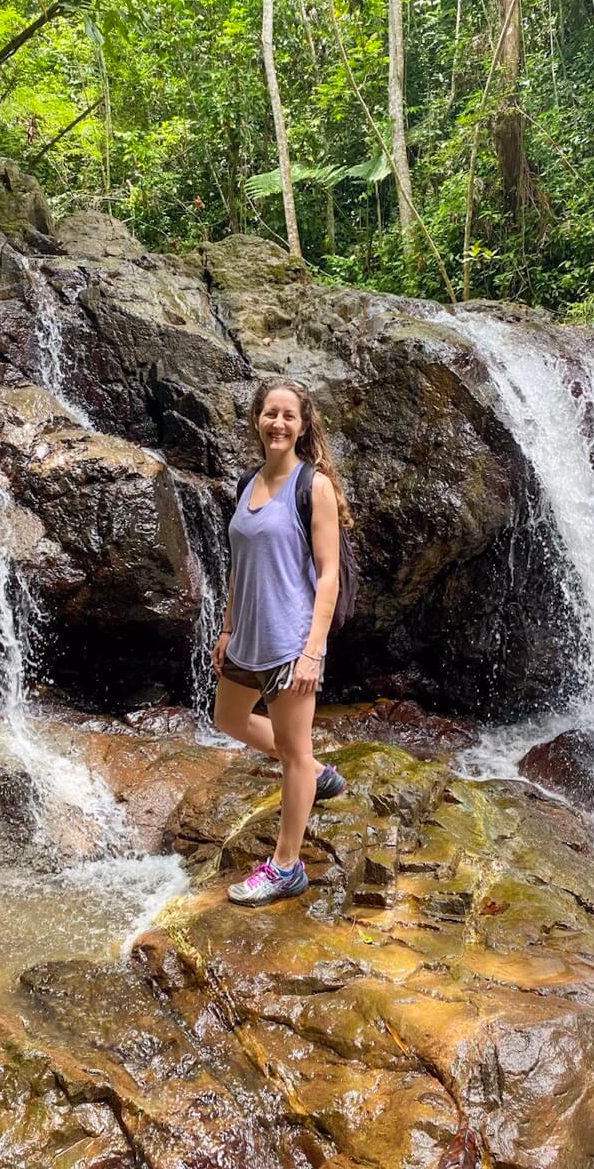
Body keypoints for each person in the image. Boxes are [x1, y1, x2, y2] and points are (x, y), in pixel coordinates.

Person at [212, 378, 353, 906]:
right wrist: (226, 628)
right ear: (257, 419)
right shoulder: (249, 481)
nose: (278, 423)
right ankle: (317, 773)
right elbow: (239, 566)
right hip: (246, 637)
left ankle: (286, 867)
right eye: (271, 414)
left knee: (294, 751)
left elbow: (329, 573)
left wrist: (313, 649)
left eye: (289, 416)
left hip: (290, 641)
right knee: (227, 719)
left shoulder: (312, 485)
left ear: (303, 424)